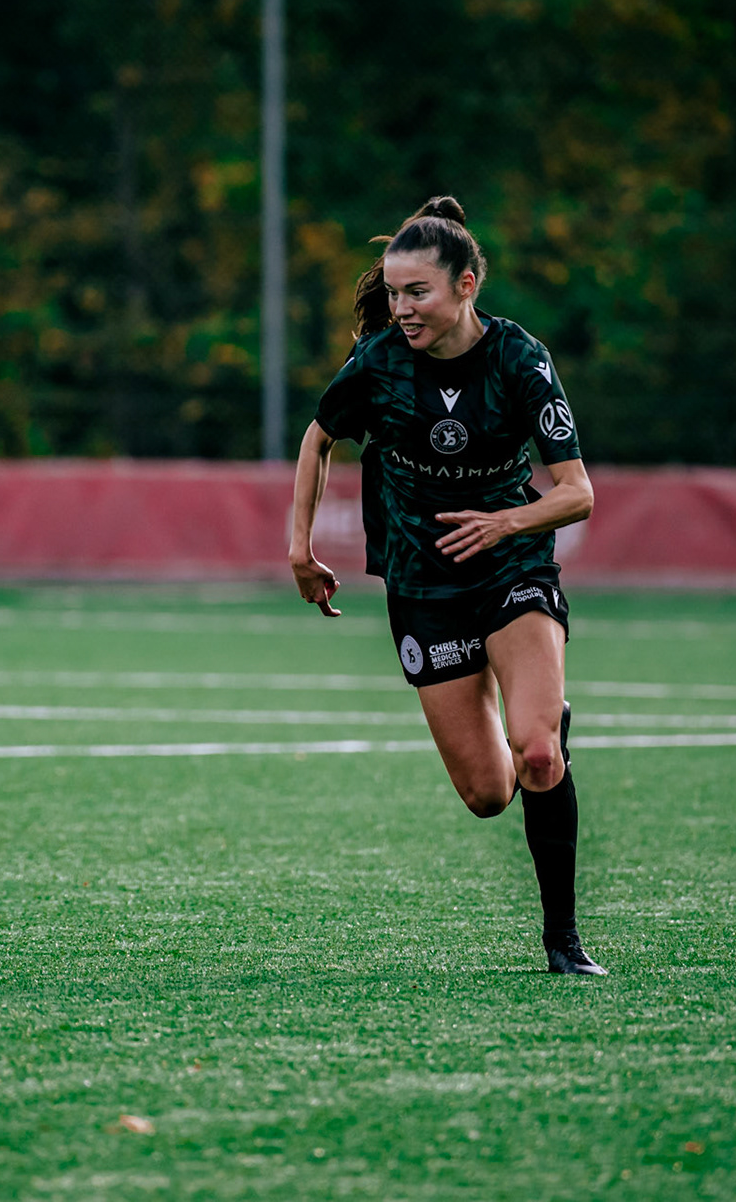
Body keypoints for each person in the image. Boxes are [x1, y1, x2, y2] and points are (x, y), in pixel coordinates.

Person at [288, 196, 604, 975]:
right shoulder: (379, 365)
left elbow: (576, 493)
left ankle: (563, 943)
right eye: (394, 293)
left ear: (466, 285)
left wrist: (504, 524)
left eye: (417, 292)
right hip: (422, 583)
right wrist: (299, 548)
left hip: (511, 567)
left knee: (538, 755)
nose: (401, 308)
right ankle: (538, 717)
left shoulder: (519, 360)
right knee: (489, 794)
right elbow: (319, 437)